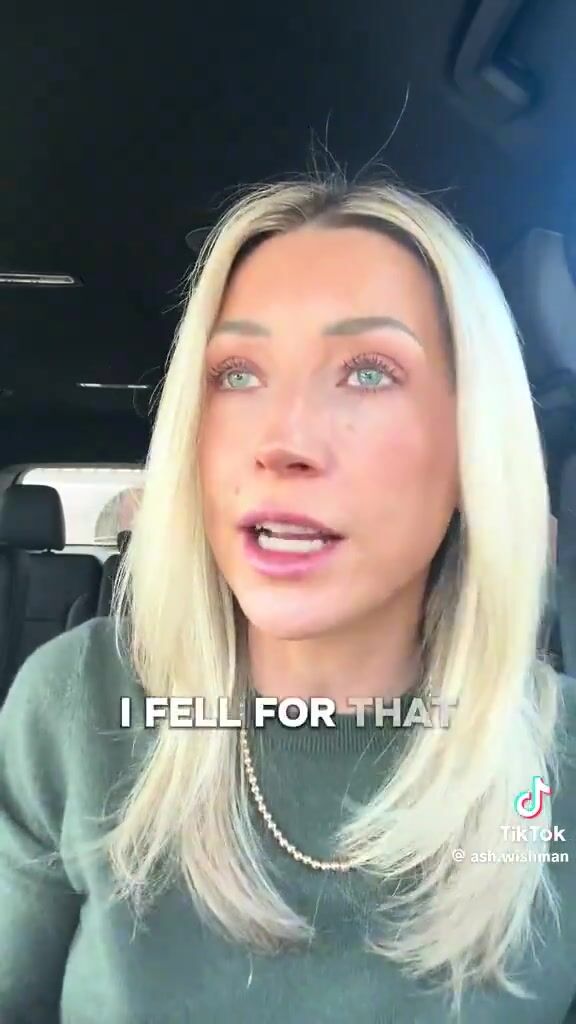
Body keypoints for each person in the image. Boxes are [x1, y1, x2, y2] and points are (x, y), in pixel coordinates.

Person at [1, 170, 576, 1024]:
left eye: (369, 373)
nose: (282, 440)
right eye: (237, 374)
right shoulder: (72, 707)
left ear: (470, 449)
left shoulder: (558, 761)